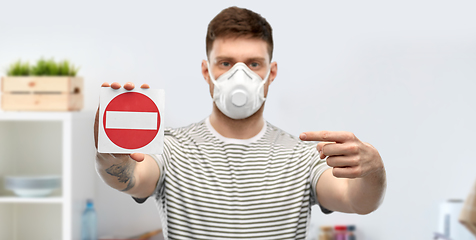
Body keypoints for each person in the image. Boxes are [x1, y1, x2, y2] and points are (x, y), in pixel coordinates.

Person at [94, 6, 386, 240]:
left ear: (271, 73)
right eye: (225, 63)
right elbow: (130, 178)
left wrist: (373, 170)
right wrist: (110, 154)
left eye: (253, 64)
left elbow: (358, 201)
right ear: (206, 71)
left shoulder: (304, 155)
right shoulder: (170, 147)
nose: (240, 76)